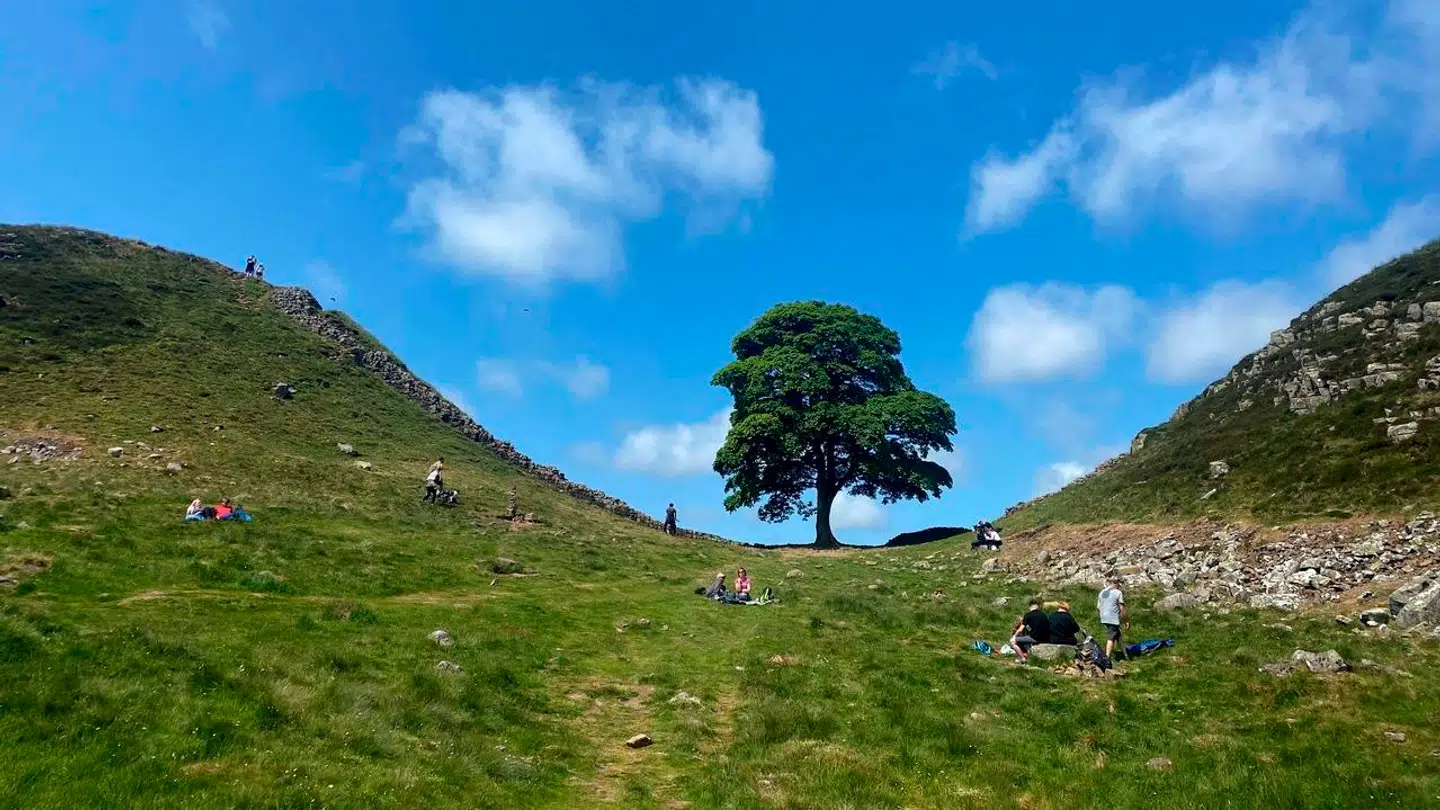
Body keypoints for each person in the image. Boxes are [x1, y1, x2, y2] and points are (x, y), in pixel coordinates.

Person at [1098, 576, 1130, 661]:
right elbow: (1122, 608)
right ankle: (1106, 658)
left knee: (1117, 635)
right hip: (1112, 618)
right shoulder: (1118, 592)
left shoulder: (1101, 592)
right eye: (1119, 584)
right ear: (1117, 583)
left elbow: (1098, 607)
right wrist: (1126, 621)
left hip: (1103, 617)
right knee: (1111, 637)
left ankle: (1126, 655)